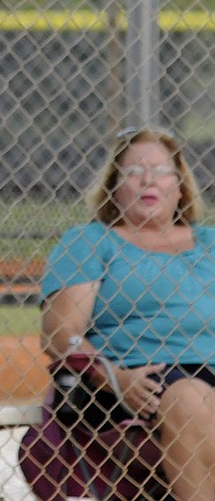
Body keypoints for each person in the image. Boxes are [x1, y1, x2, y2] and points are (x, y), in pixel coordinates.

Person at [39, 127, 215, 501]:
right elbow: (60, 335)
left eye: (161, 170)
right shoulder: (90, 242)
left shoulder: (211, 244)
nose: (148, 179)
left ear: (181, 186)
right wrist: (115, 378)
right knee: (190, 400)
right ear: (114, 188)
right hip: (140, 377)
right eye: (134, 172)